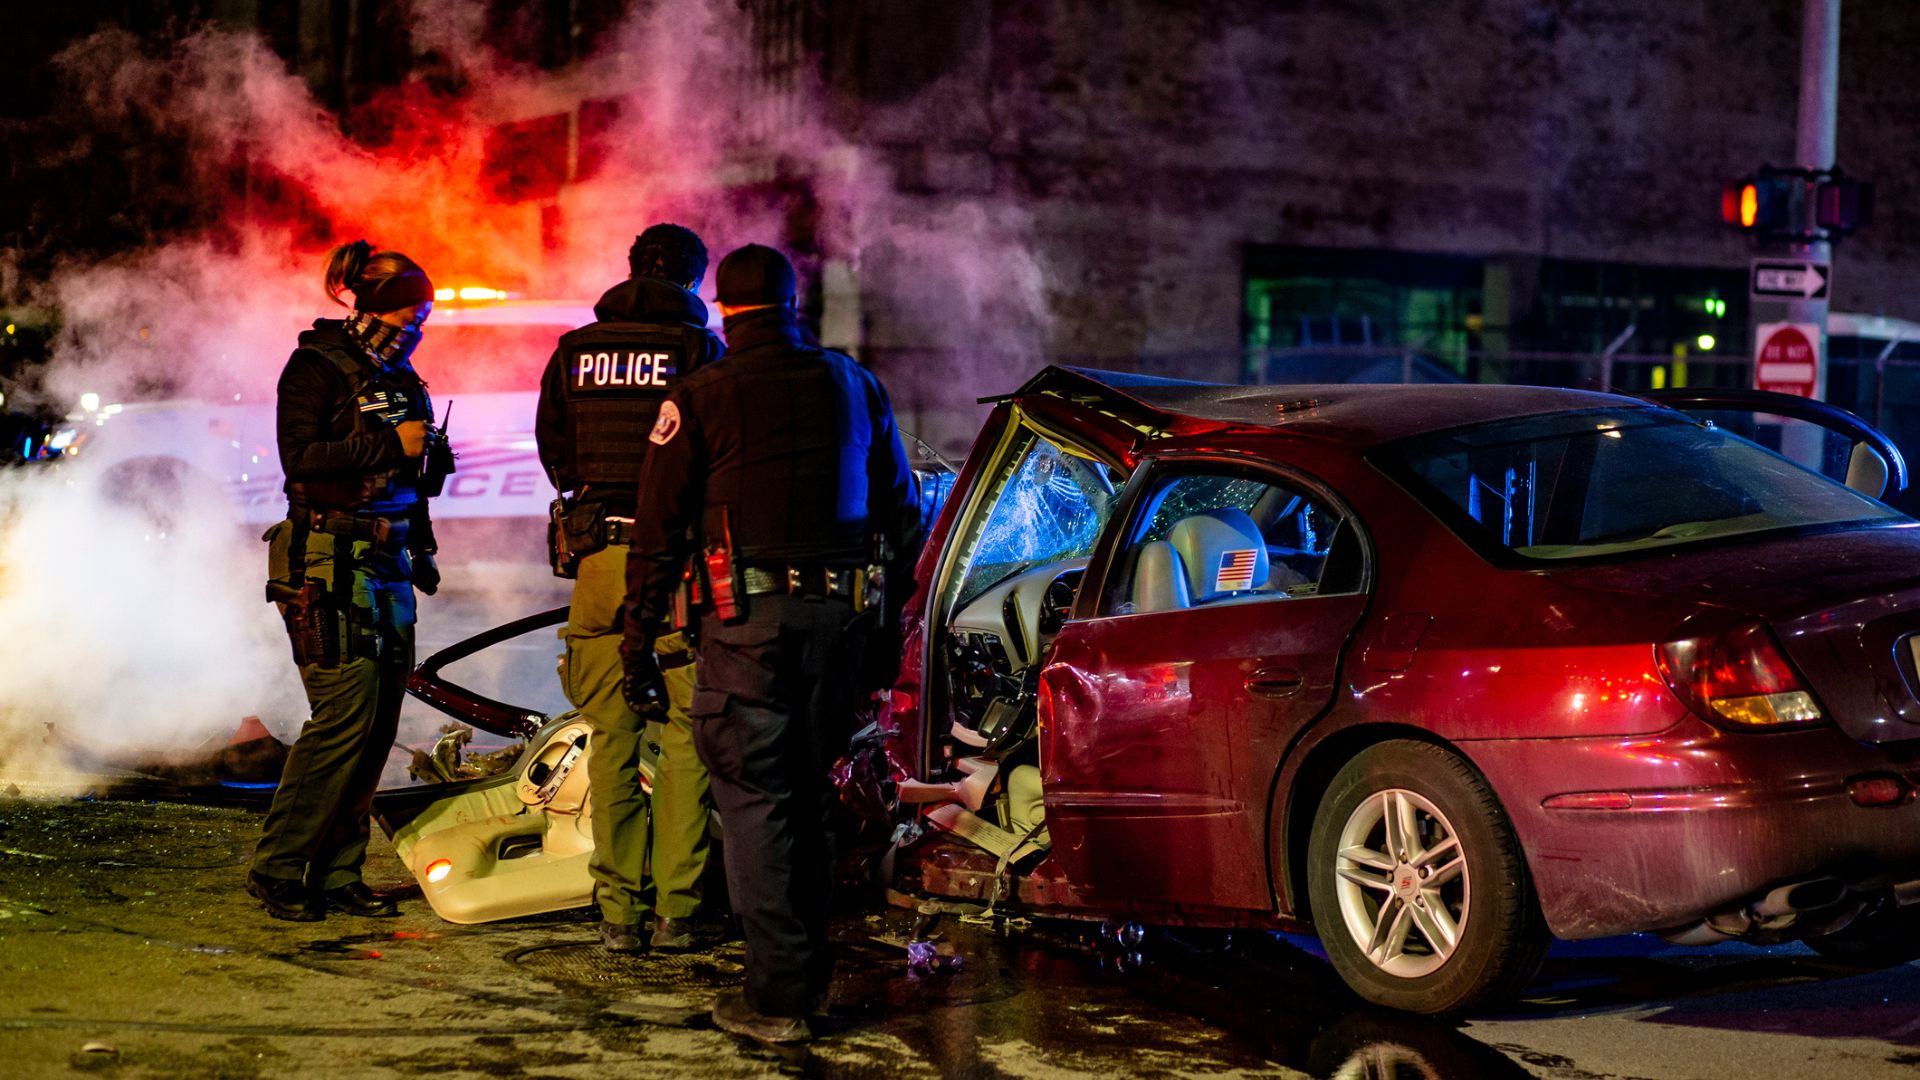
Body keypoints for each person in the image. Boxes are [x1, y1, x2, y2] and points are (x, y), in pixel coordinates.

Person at [621, 243, 920, 1044]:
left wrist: (637, 643)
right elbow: (904, 517)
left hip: (746, 630)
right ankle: (807, 983)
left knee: (757, 801)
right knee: (811, 796)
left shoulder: (700, 395)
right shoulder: (853, 383)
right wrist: (885, 632)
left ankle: (779, 1000)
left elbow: (656, 534)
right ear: (794, 305)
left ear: (723, 309)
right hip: (839, 631)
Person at [536, 224, 725, 953]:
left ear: (632, 268)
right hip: (674, 565)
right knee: (684, 738)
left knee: (610, 736)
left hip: (600, 561)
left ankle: (618, 912)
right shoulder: (698, 351)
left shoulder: (575, 350)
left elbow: (555, 450)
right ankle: (678, 910)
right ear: (693, 280)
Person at [250, 240, 449, 921]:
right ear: (378, 307)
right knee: (343, 717)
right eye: (410, 315)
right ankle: (278, 868)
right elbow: (301, 458)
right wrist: (393, 443)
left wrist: (423, 538)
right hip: (326, 562)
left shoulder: (401, 376)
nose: (417, 327)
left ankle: (338, 874)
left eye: (423, 317)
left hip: (387, 563)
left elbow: (411, 479)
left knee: (378, 723)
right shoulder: (316, 366)